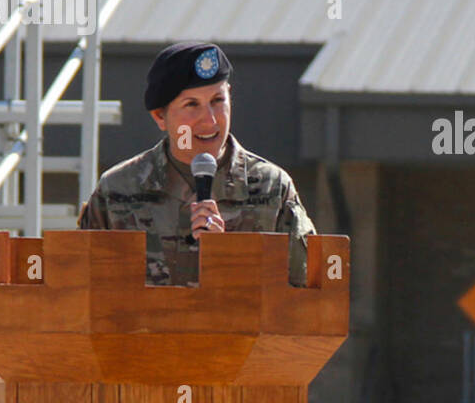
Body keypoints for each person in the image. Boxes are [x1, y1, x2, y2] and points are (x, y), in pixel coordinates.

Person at [77, 41, 317, 287]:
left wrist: (229, 255)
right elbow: (81, 291)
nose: (210, 120)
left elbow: (305, 293)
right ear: (160, 116)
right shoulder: (118, 190)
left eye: (217, 100)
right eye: (192, 105)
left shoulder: (271, 188)